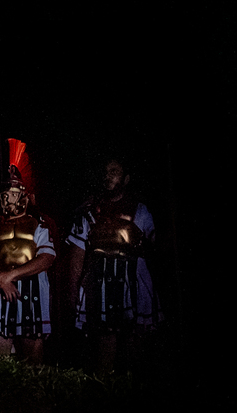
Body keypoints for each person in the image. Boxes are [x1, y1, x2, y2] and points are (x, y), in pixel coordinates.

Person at [65, 159, 163, 372]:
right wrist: (73, 293)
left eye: (114, 172)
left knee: (134, 350)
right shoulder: (89, 212)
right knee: (104, 348)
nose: (107, 176)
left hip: (134, 285)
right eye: (105, 172)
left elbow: (157, 248)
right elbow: (77, 254)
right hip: (100, 286)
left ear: (126, 179)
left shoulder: (141, 210)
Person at [0, 139, 55, 363]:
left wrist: (10, 276)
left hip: (32, 295)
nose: (6, 198)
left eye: (11, 193)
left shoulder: (39, 226)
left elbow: (47, 258)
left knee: (33, 364)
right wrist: (0, 281)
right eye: (4, 194)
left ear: (23, 196)